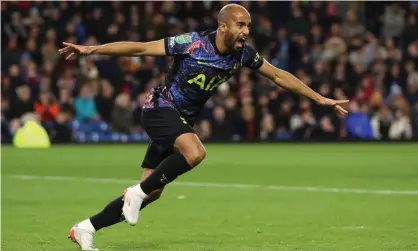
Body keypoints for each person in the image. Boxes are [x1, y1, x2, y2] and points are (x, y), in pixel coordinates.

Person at [59, 4, 349, 251]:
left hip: (180, 120)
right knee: (195, 152)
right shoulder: (193, 42)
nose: (246, 31)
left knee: (152, 191)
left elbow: (278, 76)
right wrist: (91, 49)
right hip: (160, 108)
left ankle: (85, 228)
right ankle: (135, 193)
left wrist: (319, 98)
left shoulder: (242, 54)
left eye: (248, 25)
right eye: (240, 25)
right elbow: (142, 48)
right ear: (223, 27)